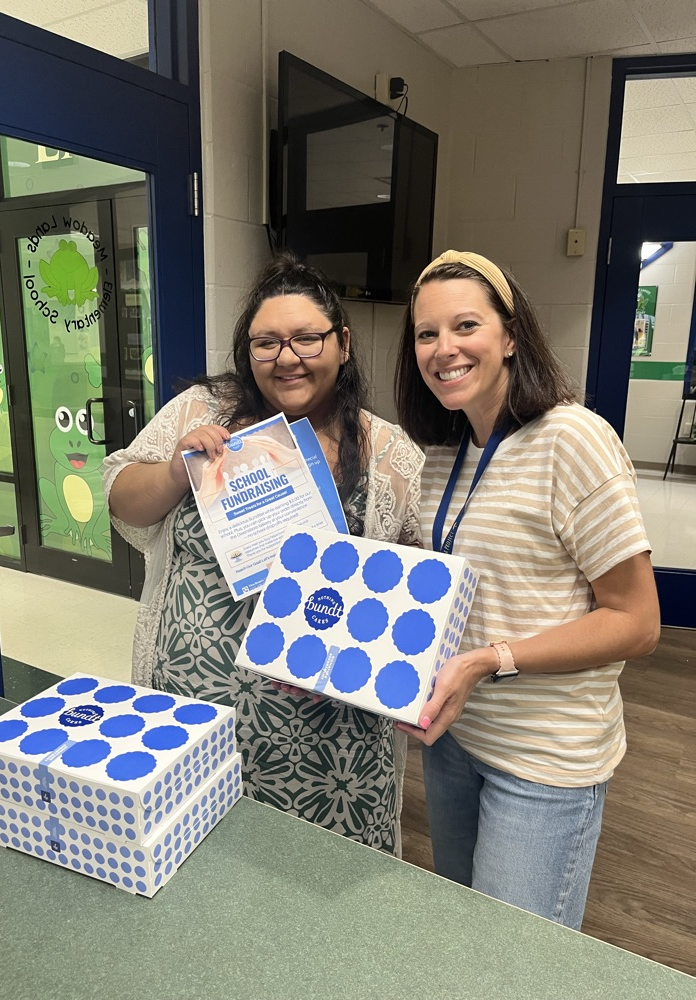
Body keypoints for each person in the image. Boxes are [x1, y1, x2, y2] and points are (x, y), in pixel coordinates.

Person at [103, 251, 423, 855]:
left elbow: (413, 584)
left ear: (343, 344)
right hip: (191, 721)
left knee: (321, 880)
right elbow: (122, 499)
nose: (286, 357)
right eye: (266, 342)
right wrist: (175, 470)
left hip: (332, 744)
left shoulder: (387, 452)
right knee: (193, 867)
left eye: (307, 338)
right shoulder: (200, 411)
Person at [393, 249, 660, 929]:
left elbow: (636, 621)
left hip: (544, 758)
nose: (444, 349)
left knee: (513, 961)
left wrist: (491, 660)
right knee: (466, 933)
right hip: (456, 739)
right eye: (427, 334)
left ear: (510, 336)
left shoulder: (573, 439)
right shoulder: (442, 456)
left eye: (466, 326)